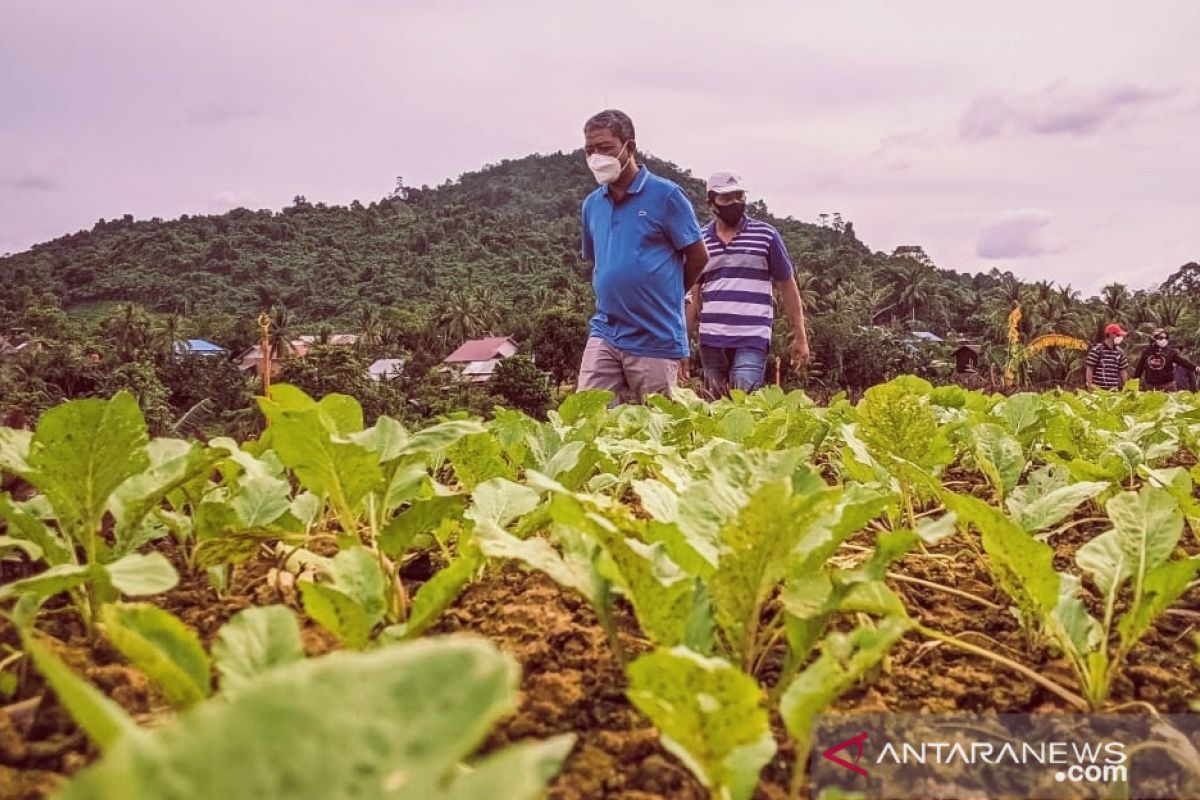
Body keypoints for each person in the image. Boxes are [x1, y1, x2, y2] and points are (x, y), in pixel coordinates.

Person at [577, 109, 709, 403]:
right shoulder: (591, 205)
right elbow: (599, 262)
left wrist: (671, 293)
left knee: (657, 429)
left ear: (630, 147)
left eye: (605, 148)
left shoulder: (667, 196)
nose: (596, 157)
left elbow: (699, 256)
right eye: (589, 150)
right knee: (586, 418)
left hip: (655, 335)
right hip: (606, 329)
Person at [685, 171, 809, 396]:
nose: (735, 203)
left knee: (744, 400)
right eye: (726, 198)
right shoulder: (700, 240)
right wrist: (683, 342)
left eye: (739, 196)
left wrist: (800, 336)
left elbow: (787, 286)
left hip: (752, 336)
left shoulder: (766, 236)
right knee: (714, 404)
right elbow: (692, 294)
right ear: (711, 202)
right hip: (711, 338)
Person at [1134, 327, 1200, 391]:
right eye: (1161, 338)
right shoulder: (1147, 352)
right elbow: (1139, 369)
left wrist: (1195, 368)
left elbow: (1183, 362)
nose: (1164, 340)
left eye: (1166, 338)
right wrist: (1133, 384)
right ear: (1154, 338)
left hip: (1168, 386)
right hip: (1151, 387)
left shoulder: (1171, 352)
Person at [1084, 323, 1130, 390]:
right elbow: (1089, 370)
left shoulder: (1120, 352)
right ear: (1111, 334)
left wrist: (1127, 388)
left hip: (1114, 391)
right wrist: (1089, 386)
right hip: (1098, 391)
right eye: (1118, 335)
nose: (1120, 337)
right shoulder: (1097, 350)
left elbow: (1123, 371)